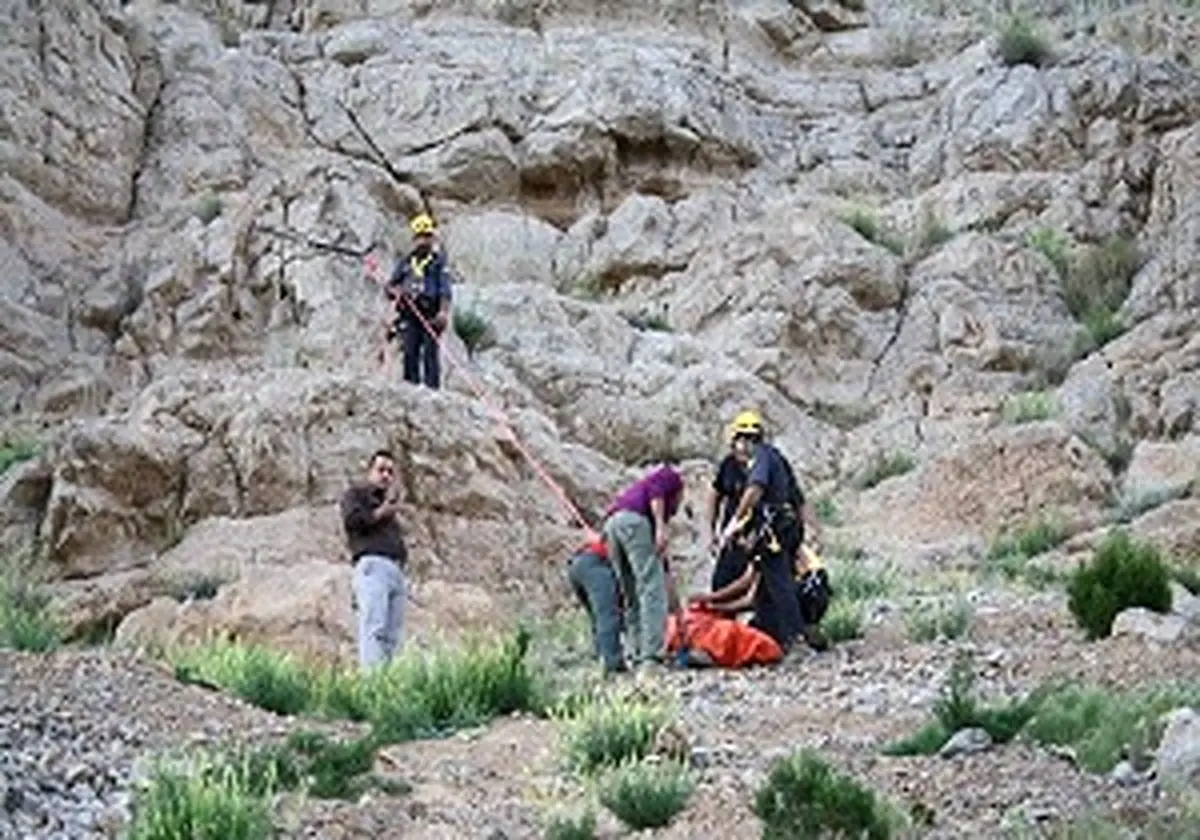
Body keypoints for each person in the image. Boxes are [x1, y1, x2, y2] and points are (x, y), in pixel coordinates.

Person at [717, 410, 824, 652]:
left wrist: (734, 523)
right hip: (778, 529)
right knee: (768, 586)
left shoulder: (763, 458)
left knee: (779, 582)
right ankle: (780, 635)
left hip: (773, 530)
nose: (743, 447)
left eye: (747, 440)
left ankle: (795, 639)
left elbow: (755, 490)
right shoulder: (772, 459)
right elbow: (798, 499)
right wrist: (815, 530)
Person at [602, 464, 686, 671]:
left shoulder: (636, 496)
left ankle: (635, 652)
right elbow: (657, 490)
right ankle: (652, 658)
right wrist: (660, 527)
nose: (676, 509)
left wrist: (678, 612)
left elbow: (664, 571)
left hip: (612, 526)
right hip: (634, 523)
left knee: (630, 592)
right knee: (651, 592)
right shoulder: (671, 478)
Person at [340, 449, 409, 669]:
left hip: (395, 570)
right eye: (381, 470)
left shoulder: (387, 506)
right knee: (374, 627)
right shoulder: (356, 494)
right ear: (370, 472)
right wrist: (381, 513)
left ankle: (388, 684)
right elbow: (352, 521)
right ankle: (372, 684)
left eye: (390, 471)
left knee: (393, 635)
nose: (386, 475)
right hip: (373, 565)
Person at [386, 213, 454, 390]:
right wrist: (395, 292)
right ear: (414, 239)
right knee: (410, 351)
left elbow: (445, 289)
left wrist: (443, 312)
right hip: (410, 312)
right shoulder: (406, 262)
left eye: (427, 237)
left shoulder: (438, 262)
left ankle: (432, 390)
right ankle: (410, 388)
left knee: (430, 353)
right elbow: (390, 286)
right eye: (420, 237)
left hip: (431, 313)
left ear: (432, 238)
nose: (423, 241)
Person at [566, 534, 627, 675]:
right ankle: (612, 664)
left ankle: (602, 656)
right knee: (608, 616)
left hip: (577, 564)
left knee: (598, 618)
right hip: (595, 564)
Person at [703, 426, 750, 591]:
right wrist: (711, 531)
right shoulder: (729, 465)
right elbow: (715, 494)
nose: (744, 446)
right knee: (721, 586)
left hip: (755, 543)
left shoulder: (766, 466)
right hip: (731, 541)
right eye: (741, 440)